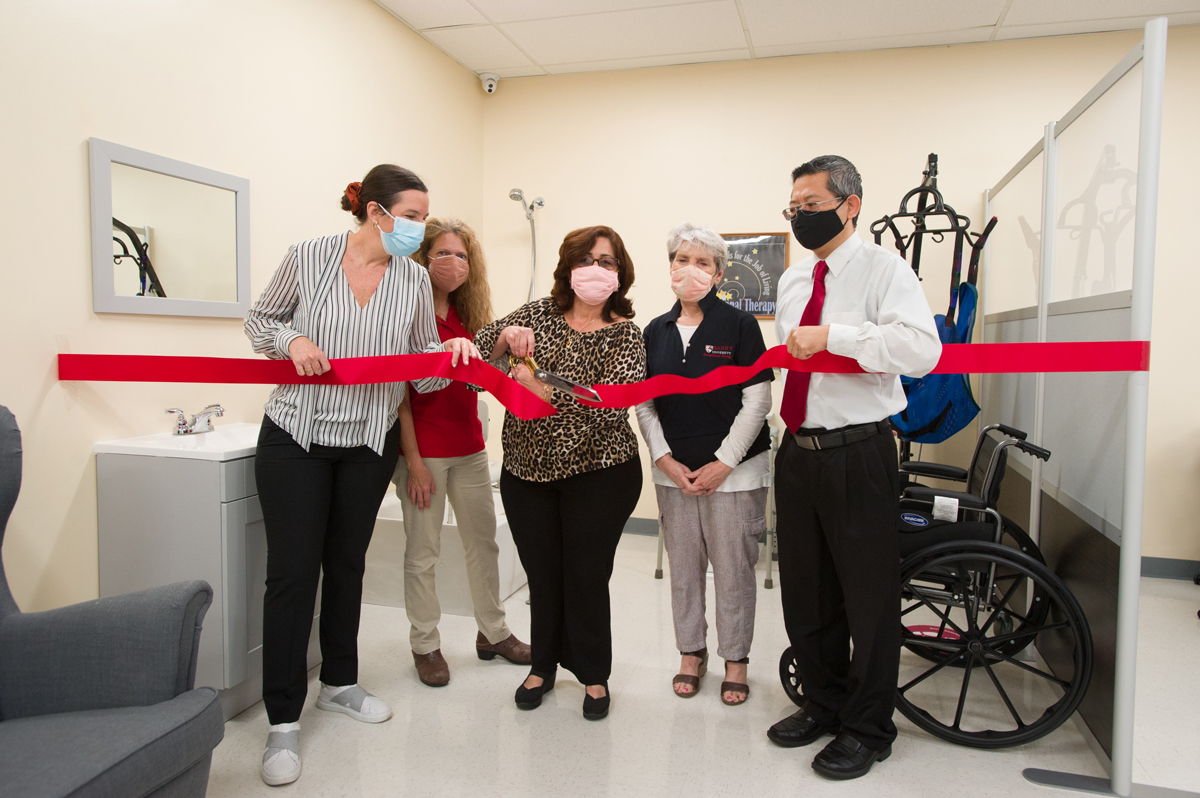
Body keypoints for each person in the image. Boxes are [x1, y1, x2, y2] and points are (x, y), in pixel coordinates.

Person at [244, 166, 480, 786]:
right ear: (377, 212)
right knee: (292, 575)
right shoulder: (309, 257)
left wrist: (451, 356)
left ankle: (340, 684)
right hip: (297, 434)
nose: (420, 227)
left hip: (368, 443)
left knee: (347, 564)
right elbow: (259, 321)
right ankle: (283, 719)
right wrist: (292, 340)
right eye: (412, 216)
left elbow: (420, 371)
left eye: (423, 216)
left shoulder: (412, 278)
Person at [766, 155, 941, 780]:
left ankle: (868, 728)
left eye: (812, 205)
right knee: (806, 593)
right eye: (793, 208)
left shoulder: (885, 270)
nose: (800, 217)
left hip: (859, 453)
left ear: (851, 205)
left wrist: (835, 336)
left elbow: (921, 350)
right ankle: (824, 703)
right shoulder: (794, 280)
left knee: (867, 599)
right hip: (799, 452)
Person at [472, 226, 645, 721]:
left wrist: (541, 390)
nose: (596, 269)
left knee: (586, 577)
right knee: (542, 575)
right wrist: (503, 338)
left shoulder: (626, 334)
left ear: (620, 273)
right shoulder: (537, 314)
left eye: (607, 262)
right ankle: (542, 666)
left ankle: (593, 674)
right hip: (526, 473)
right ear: (568, 268)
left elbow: (609, 406)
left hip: (600, 473)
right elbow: (477, 360)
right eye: (586, 259)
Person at [635, 223, 772, 706]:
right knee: (685, 571)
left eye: (702, 262)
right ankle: (691, 653)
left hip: (735, 476)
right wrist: (664, 460)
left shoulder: (740, 325)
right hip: (674, 476)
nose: (689, 270)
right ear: (670, 266)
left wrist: (723, 463)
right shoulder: (655, 331)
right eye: (681, 260)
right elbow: (644, 403)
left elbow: (757, 402)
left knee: (734, 572)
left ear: (717, 273)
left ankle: (736, 660)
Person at [393, 217, 531, 687]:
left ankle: (493, 633)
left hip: (470, 447)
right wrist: (413, 463)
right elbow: (399, 397)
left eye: (462, 256)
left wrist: (506, 343)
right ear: (422, 259)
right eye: (444, 253)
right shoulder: (407, 316)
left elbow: (479, 377)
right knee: (423, 552)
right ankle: (425, 644)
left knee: (483, 545)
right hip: (425, 452)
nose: (454, 263)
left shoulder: (467, 319)